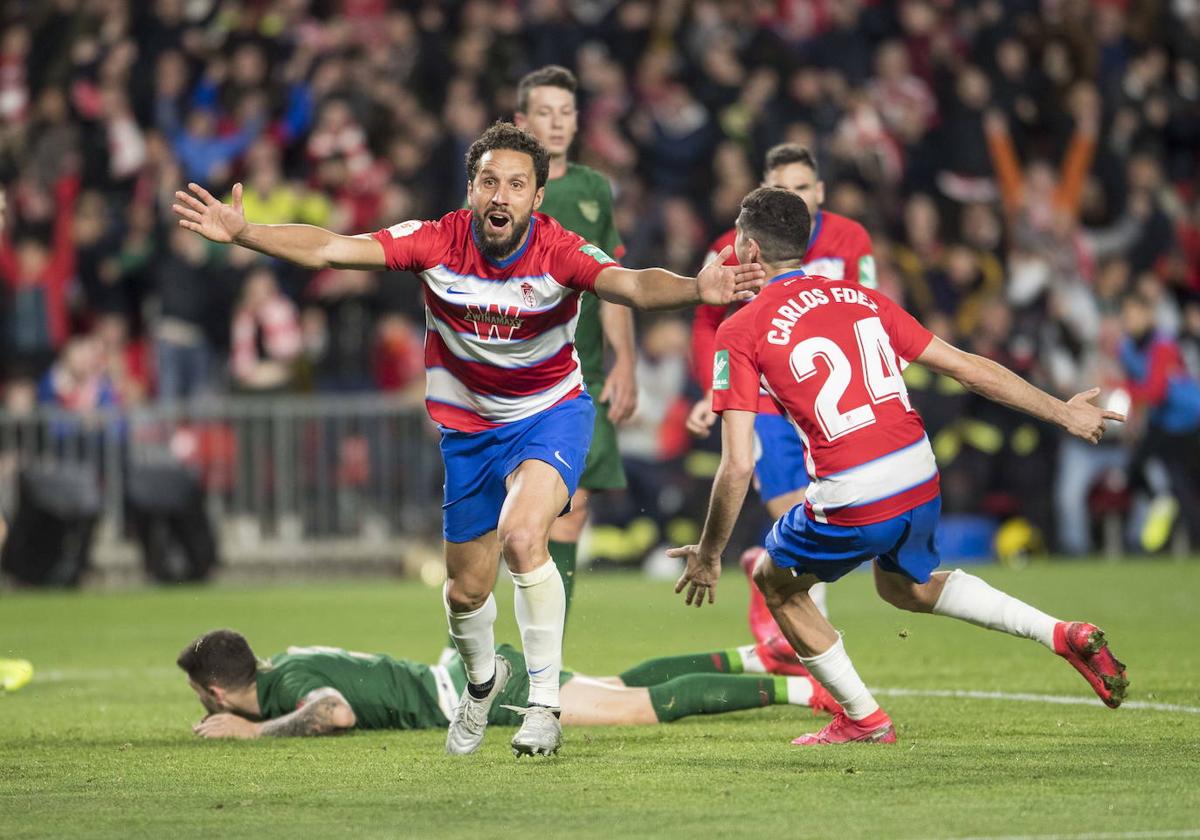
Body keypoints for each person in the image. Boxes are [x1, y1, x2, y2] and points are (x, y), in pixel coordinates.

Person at [172, 121, 764, 757]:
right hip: (470, 434)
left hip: (549, 414)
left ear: (537, 197)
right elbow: (329, 250)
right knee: (465, 592)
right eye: (489, 182)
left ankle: (542, 706)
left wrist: (695, 287)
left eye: (516, 184)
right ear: (471, 189)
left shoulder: (560, 250)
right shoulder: (436, 241)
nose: (500, 196)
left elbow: (632, 284)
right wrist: (246, 233)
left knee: (523, 537)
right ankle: (482, 684)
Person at [670, 187, 1129, 746]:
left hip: (856, 492)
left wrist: (710, 553)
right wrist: (1062, 411)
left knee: (774, 578)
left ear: (746, 248)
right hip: (919, 471)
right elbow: (968, 368)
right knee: (903, 589)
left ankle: (864, 719)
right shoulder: (859, 297)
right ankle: (1062, 632)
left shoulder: (739, 329)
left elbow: (738, 465)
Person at [433, 66, 636, 668]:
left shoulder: (596, 190)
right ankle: (484, 662)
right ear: (521, 122)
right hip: (499, 390)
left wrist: (625, 360)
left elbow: (619, 282)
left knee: (559, 524)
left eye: (567, 112)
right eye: (544, 112)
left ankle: (543, 664)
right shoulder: (491, 201)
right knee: (490, 553)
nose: (557, 122)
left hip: (575, 378)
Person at [687, 144, 875, 622]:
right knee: (792, 506)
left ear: (821, 190)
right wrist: (717, 387)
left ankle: (770, 576)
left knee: (833, 511)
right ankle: (812, 633)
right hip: (765, 399)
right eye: (783, 188)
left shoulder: (852, 239)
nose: (796, 197)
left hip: (825, 398)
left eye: (803, 187)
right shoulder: (732, 248)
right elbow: (707, 321)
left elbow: (866, 310)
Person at [177, 629, 841, 740]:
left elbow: (334, 712)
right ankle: (757, 656)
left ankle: (802, 692)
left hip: (479, 692)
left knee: (635, 711)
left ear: (212, 691)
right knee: (611, 685)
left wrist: (252, 730)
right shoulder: (283, 666)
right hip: (470, 674)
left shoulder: (290, 683)